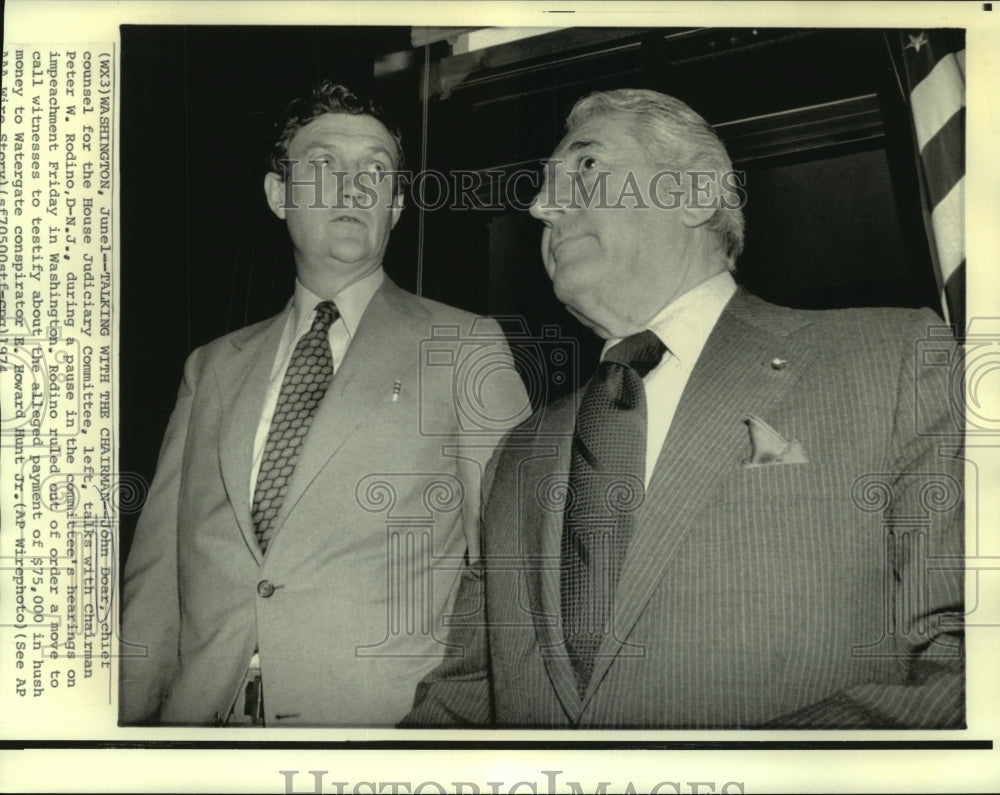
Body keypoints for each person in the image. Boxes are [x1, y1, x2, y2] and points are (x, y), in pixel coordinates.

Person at [404, 88, 964, 728]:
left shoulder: (891, 360)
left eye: (587, 165)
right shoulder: (517, 453)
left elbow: (967, 657)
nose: (540, 206)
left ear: (695, 193)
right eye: (543, 185)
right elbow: (464, 699)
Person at [120, 80, 529, 726]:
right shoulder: (211, 368)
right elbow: (154, 586)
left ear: (396, 205)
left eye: (376, 170)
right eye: (325, 164)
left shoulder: (463, 347)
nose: (355, 186)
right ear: (278, 195)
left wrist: (446, 730)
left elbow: (513, 568)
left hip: (377, 736)